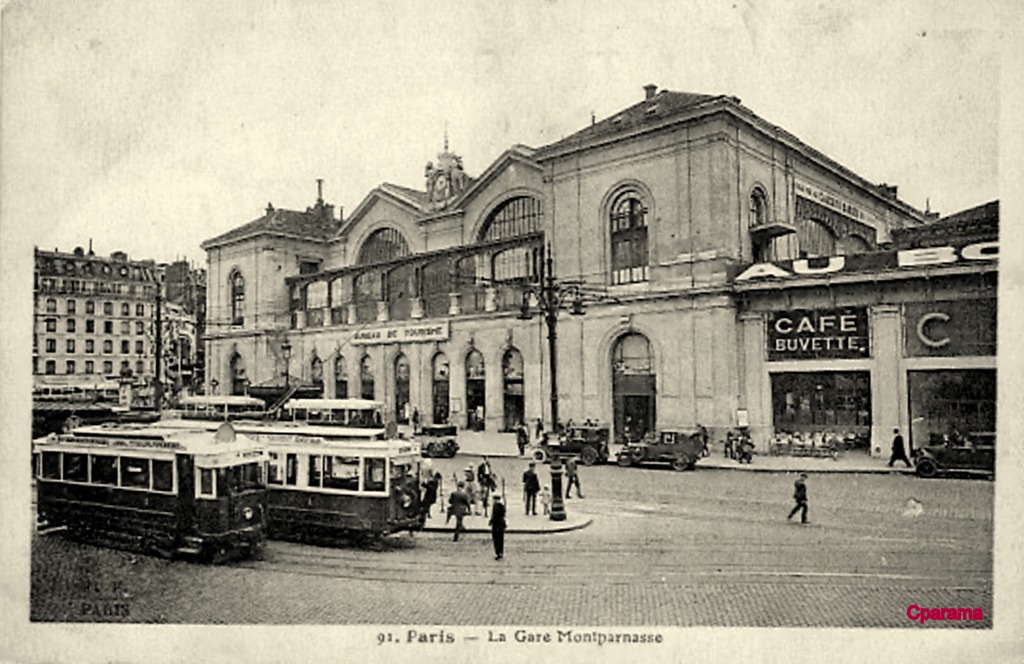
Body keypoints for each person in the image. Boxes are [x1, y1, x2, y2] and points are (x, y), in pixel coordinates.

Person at [489, 494, 507, 560]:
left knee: (496, 539)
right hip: (501, 524)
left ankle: (498, 552)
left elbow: (495, 516)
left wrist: (491, 521)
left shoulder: (496, 506)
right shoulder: (502, 506)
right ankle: (500, 552)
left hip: (496, 525)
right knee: (500, 539)